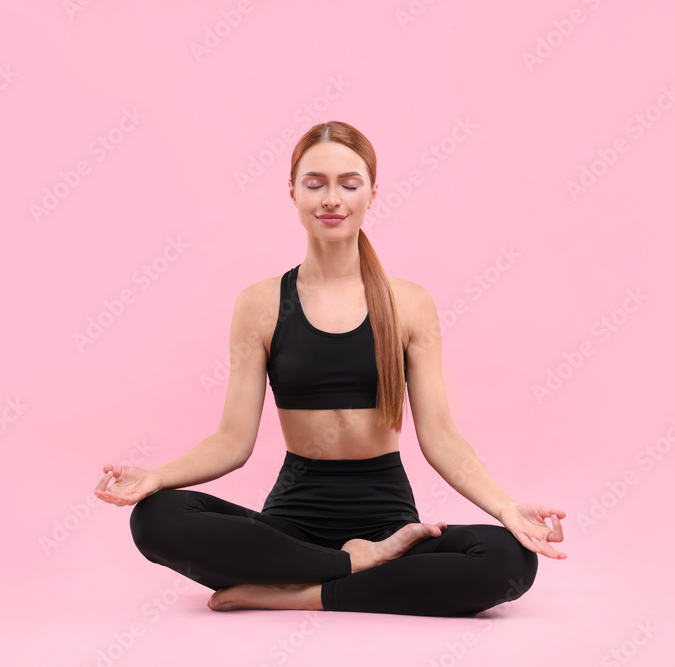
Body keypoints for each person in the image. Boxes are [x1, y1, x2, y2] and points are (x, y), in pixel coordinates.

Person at [94, 120, 567, 617]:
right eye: (315, 184)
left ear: (372, 192)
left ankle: (304, 591)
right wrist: (156, 477)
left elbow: (441, 437)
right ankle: (348, 568)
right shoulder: (260, 305)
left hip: (390, 527)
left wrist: (506, 508)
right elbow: (232, 441)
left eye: (349, 183)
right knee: (157, 518)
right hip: (291, 527)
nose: (331, 199)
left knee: (508, 559)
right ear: (293, 192)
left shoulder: (410, 304)